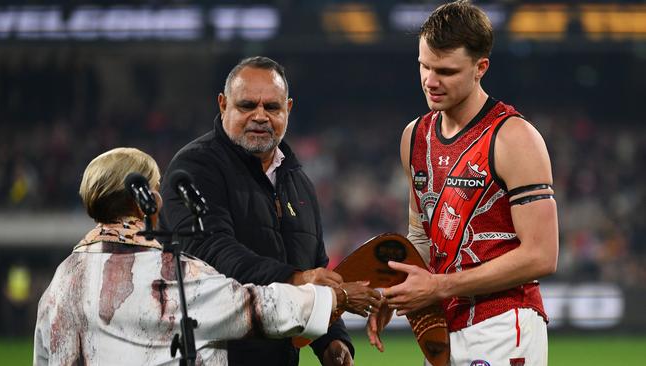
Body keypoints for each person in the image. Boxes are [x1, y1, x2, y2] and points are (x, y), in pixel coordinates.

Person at [34, 147, 381, 366]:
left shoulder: (62, 280)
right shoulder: (170, 273)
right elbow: (258, 307)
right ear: (148, 201)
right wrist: (336, 296)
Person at [367, 1, 559, 365]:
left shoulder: (514, 137)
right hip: (442, 329)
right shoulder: (415, 136)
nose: (430, 81)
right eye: (424, 66)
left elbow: (542, 255)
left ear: (480, 68)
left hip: (503, 324)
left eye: (445, 70)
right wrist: (394, 293)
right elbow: (421, 236)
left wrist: (437, 286)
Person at [159, 56, 361, 366]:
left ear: (288, 109)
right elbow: (211, 254)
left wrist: (331, 339)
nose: (260, 116)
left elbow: (314, 266)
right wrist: (298, 278)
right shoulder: (194, 168)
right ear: (223, 104)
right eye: (247, 105)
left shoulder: (299, 183)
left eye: (272, 107)